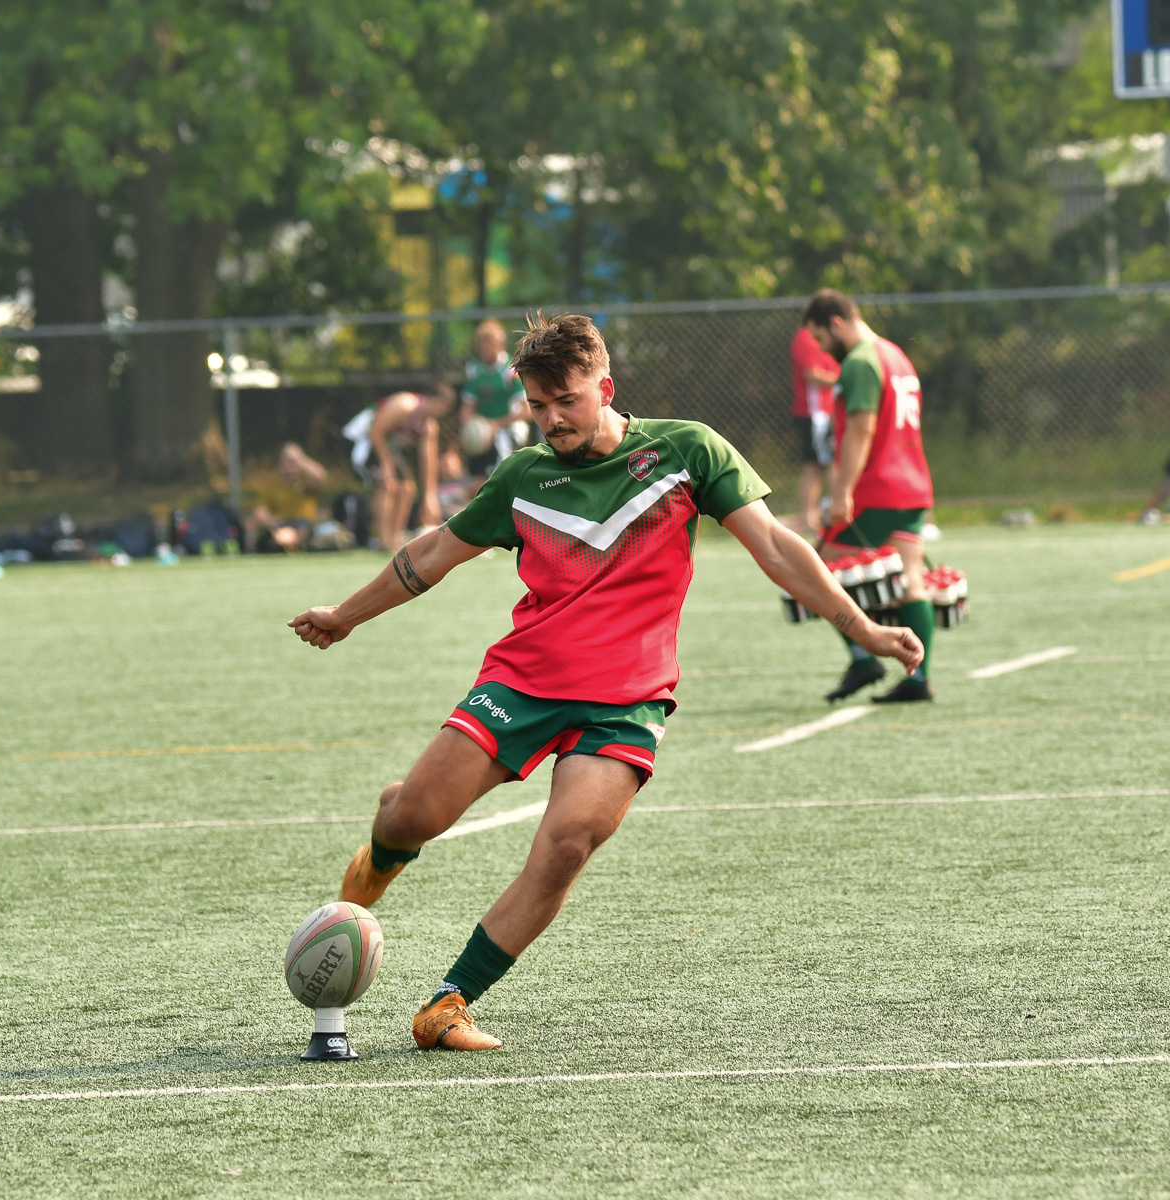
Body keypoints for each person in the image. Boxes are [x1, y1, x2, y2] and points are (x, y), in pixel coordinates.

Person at [289, 313, 921, 1052]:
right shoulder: (524, 477)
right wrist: (347, 615)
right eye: (537, 405)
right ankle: (383, 844)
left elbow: (778, 547)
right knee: (413, 819)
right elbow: (432, 553)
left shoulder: (686, 452)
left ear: (605, 388)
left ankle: (449, 1002)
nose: (551, 418)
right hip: (524, 681)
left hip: (627, 699)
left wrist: (864, 630)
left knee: (566, 845)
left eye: (567, 400)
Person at [804, 289, 939, 704]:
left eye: (821, 338)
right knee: (910, 582)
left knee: (814, 570)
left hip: (875, 488)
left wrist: (842, 490)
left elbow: (862, 429)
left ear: (837, 323)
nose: (823, 350)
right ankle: (918, 679)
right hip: (912, 484)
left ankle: (864, 656)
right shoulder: (895, 354)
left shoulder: (861, 362)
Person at [344, 382, 455, 552]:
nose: (442, 412)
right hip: (363, 442)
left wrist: (429, 496)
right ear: (432, 399)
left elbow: (428, 461)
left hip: (387, 449)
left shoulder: (429, 426)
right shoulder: (406, 404)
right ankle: (383, 541)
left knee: (408, 487)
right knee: (388, 485)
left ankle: (394, 541)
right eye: (443, 406)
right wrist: (386, 463)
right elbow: (375, 431)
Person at [460, 319, 530, 476]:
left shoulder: (510, 371)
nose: (484, 349)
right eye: (481, 345)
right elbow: (467, 409)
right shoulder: (474, 371)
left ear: (499, 345)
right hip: (483, 433)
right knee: (476, 478)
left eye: (488, 344)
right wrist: (473, 428)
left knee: (497, 475)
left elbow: (527, 411)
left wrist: (495, 425)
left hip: (507, 430)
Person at [789, 324, 841, 536]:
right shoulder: (806, 337)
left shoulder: (826, 339)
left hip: (825, 412)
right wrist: (843, 380)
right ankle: (808, 517)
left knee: (823, 463)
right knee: (818, 464)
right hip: (814, 413)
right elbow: (812, 373)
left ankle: (815, 515)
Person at [246, 442, 328, 553]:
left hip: (303, 525)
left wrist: (301, 459)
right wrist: (271, 522)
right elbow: (260, 512)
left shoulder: (305, 481)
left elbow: (320, 476)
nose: (289, 466)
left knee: (296, 532)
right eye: (285, 461)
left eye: (292, 462)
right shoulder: (272, 486)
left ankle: (287, 544)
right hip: (281, 524)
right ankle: (283, 543)